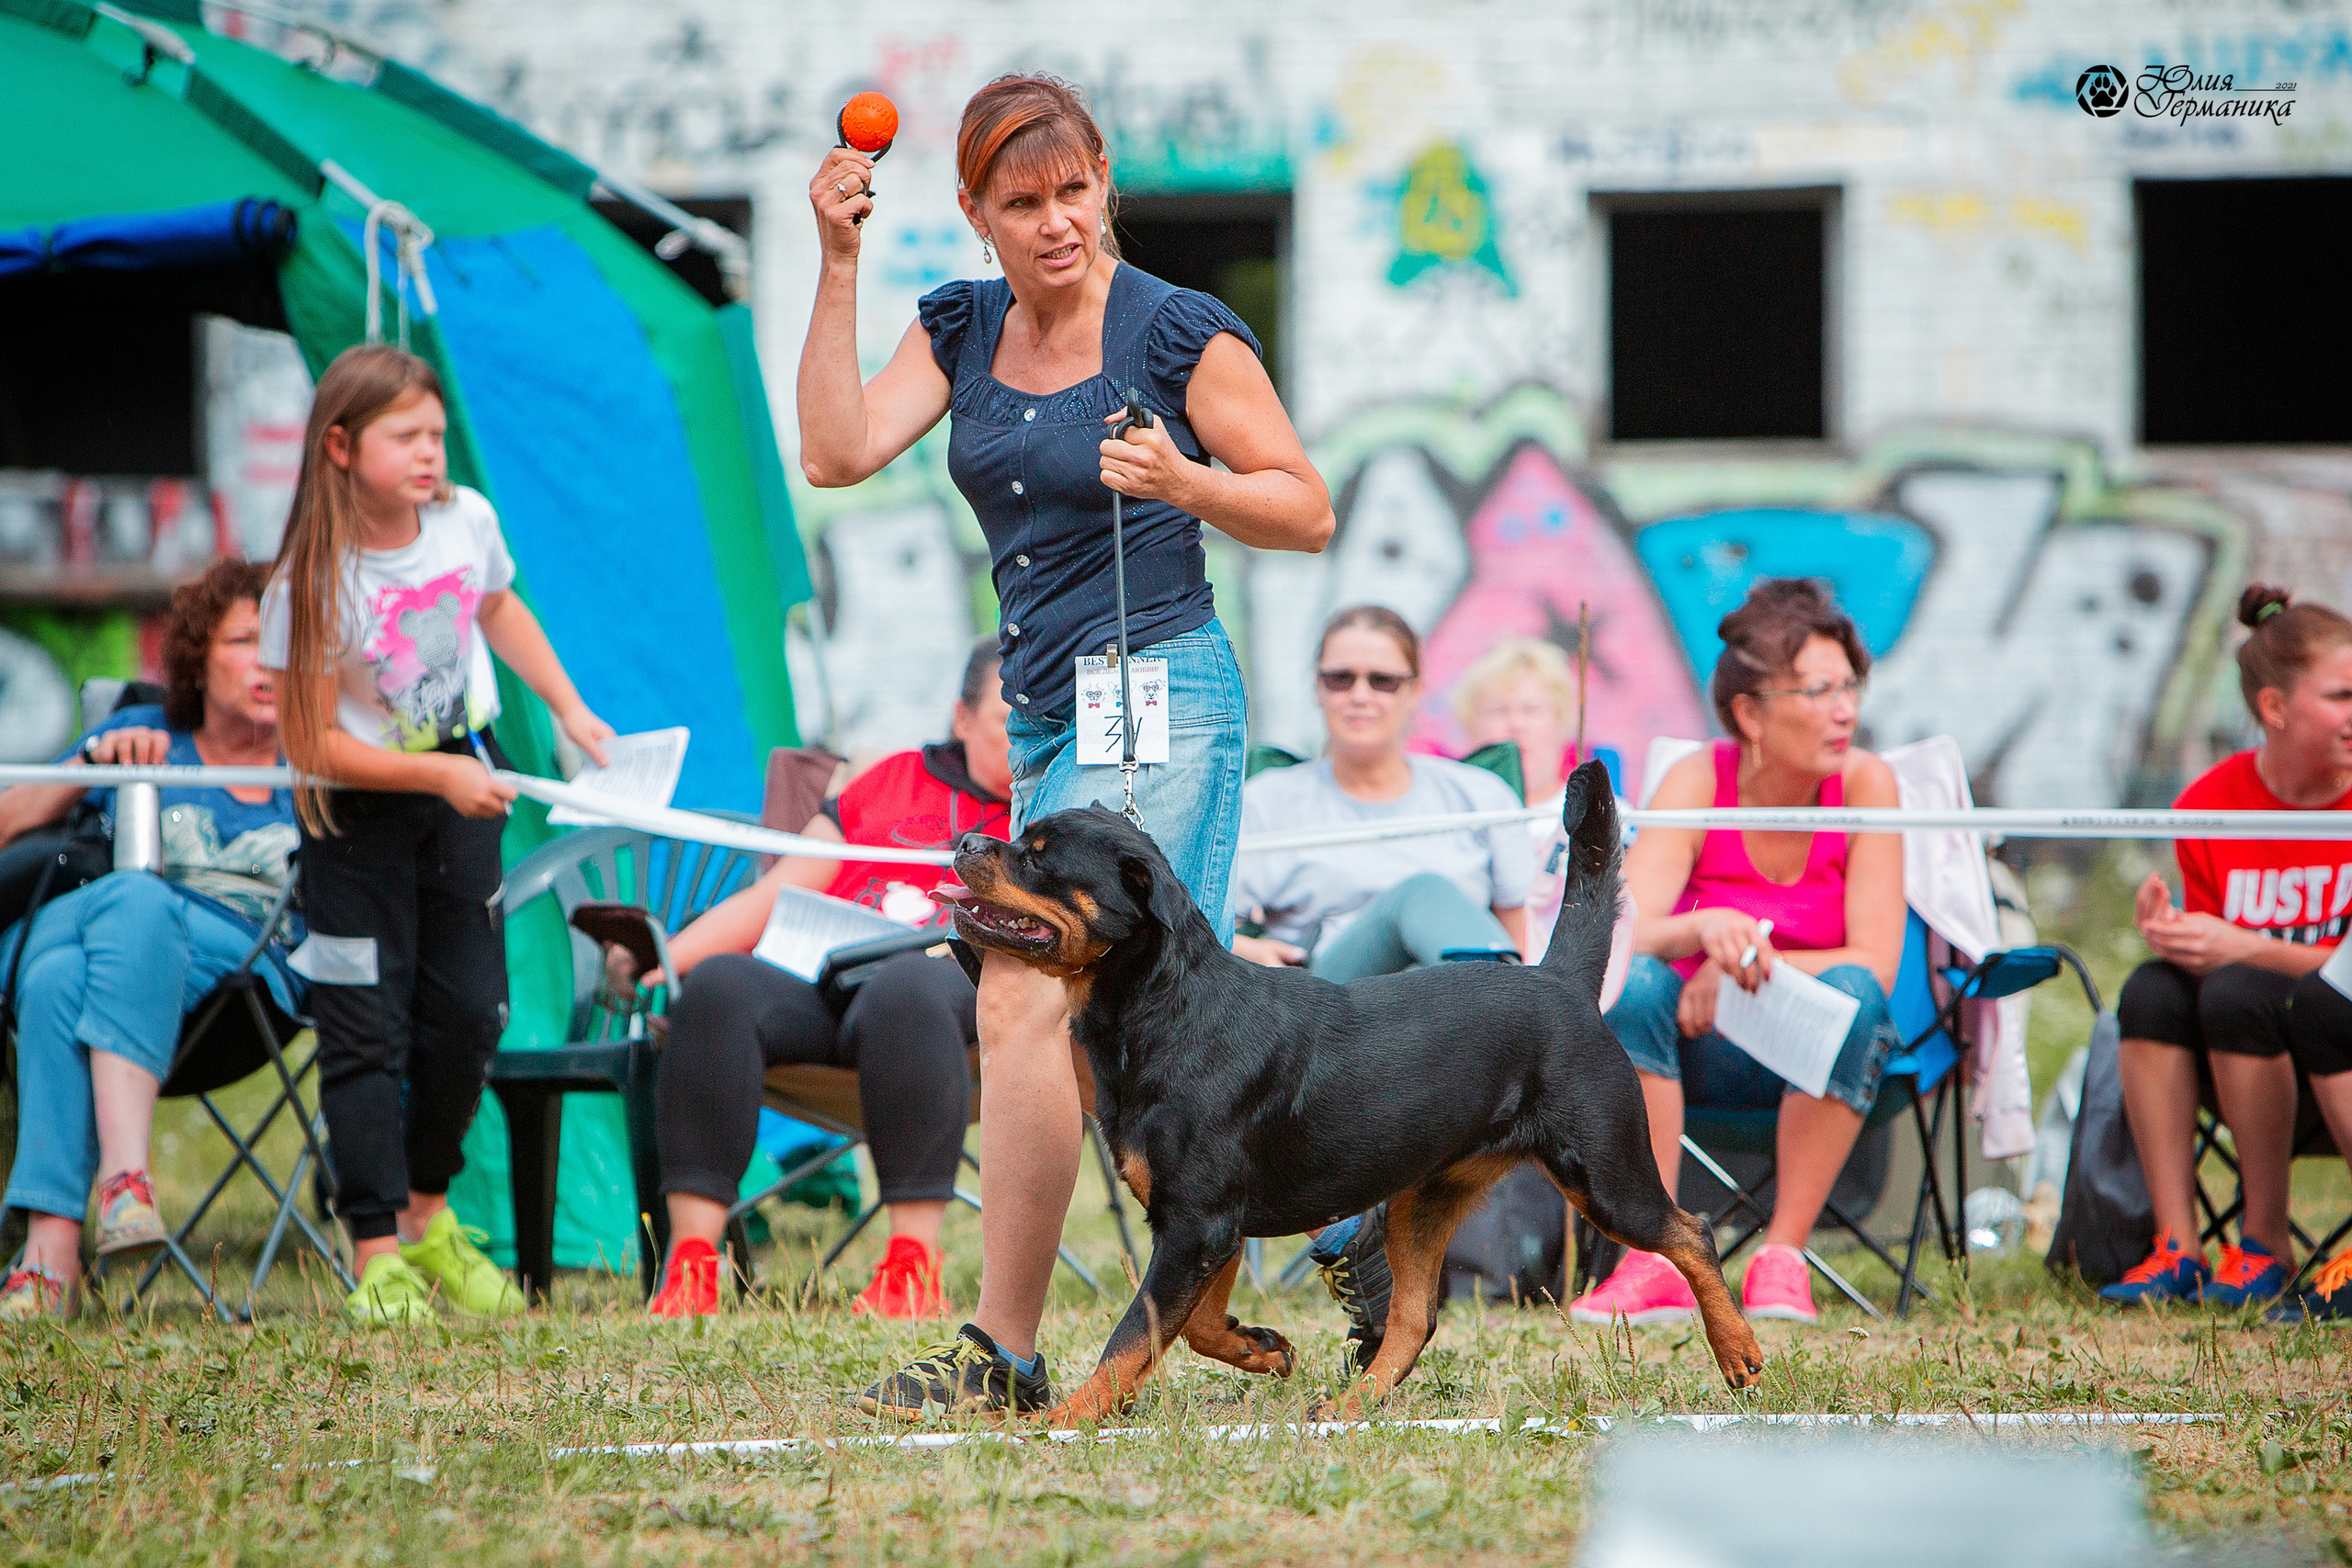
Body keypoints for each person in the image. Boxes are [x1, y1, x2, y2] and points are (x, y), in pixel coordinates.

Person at [797, 73, 1331, 1416]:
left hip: (1165, 693)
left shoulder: (1175, 334)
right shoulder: (963, 325)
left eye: (1075, 190)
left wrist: (1189, 481)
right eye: (1022, 202)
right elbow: (835, 449)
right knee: (1161, 1028)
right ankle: (1347, 1224)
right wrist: (838, 261)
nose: (1057, 223)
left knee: (1022, 987)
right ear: (974, 213)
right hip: (1044, 714)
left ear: (1105, 182)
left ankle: (1004, 1354)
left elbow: (1305, 506)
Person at [259, 344, 615, 1325]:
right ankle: (376, 1252)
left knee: (470, 1015)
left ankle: (427, 1220)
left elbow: (497, 605)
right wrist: (436, 774)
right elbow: (309, 739)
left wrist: (571, 712)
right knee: (362, 1029)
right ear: (340, 446)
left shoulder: (466, 522)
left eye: (435, 433)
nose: (429, 453)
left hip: (462, 783)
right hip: (356, 814)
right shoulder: (310, 577)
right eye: (403, 437)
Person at [619, 640, 1013, 1320]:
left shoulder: (1049, 807)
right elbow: (777, 892)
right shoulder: (892, 780)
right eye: (1011, 722)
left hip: (941, 999)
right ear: (962, 717)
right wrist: (668, 958)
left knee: (905, 988)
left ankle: (910, 1271)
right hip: (825, 979)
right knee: (717, 987)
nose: (1027, 737)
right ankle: (693, 1266)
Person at [1566, 578, 1903, 1327]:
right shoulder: (1699, 778)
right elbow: (1624, 930)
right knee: (1639, 982)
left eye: (1849, 685)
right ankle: (1654, 1256)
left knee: (1856, 990)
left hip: (1815, 1049)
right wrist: (1702, 927)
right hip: (1691, 1051)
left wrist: (1740, 967)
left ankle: (1783, 1255)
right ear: (1750, 711)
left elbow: (1876, 962)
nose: (1844, 708)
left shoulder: (1867, 783)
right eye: (1817, 690)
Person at [1228, 604, 1531, 1364]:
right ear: (1317, 690)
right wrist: (1245, 950)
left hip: (1431, 1035)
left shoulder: (1476, 795)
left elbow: (1517, 930)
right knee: (1416, 894)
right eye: (1341, 677)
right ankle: (1515, 1045)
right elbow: (1205, 934)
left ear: (1414, 691)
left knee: (1436, 911)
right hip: (1322, 1021)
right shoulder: (1269, 802)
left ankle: (1376, 1253)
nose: (1360, 693)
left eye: (1382, 678)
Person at [0, 561, 300, 1319]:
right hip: (123, 964)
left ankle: (67, 1238)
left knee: (74, 954)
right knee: (72, 954)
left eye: (282, 642)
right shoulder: (144, 733)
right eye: (243, 641)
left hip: (246, 980)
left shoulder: (317, 761)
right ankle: (67, 1241)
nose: (267, 660)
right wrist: (85, 766)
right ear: (199, 656)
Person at [2101, 586, 2352, 1315]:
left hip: (2334, 1052)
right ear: (2275, 709)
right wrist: (2180, 939)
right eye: (2340, 696)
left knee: (2243, 987)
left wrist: (2241, 944)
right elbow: (2216, 962)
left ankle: (2266, 1240)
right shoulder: (2211, 803)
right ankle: (2179, 1245)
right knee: (2153, 988)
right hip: (2242, 1063)